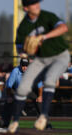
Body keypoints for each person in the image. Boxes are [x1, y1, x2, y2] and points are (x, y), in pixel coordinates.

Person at [8, 0, 70, 133]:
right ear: (25, 8)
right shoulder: (23, 27)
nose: (37, 6)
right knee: (23, 87)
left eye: (37, 3)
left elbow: (64, 28)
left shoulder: (47, 16)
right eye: (33, 4)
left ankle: (43, 117)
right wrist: (28, 49)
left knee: (49, 79)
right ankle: (15, 121)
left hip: (60, 55)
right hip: (41, 58)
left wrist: (44, 37)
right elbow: (20, 49)